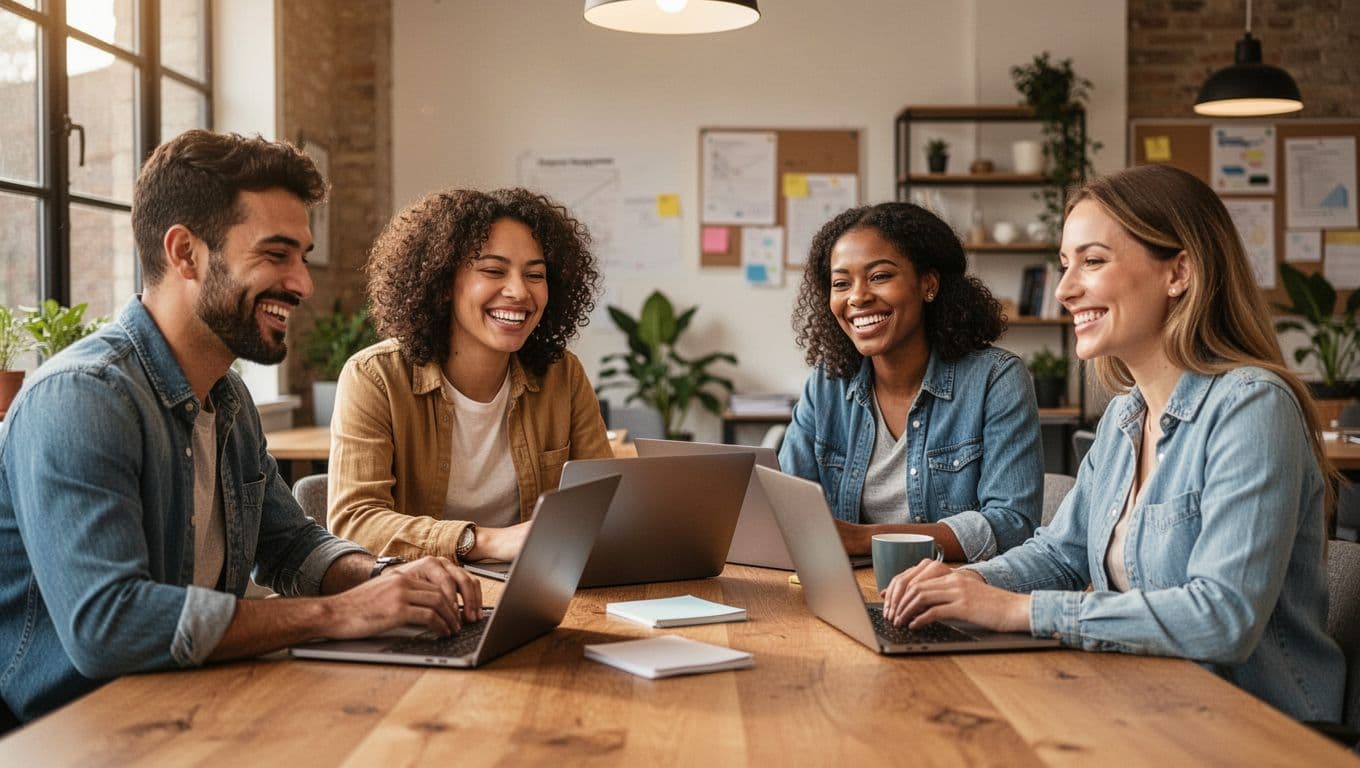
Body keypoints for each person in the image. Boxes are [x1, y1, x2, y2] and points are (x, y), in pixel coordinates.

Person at [0, 130, 482, 724]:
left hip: (196, 705)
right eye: (276, 254)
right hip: (78, 733)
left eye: (302, 257)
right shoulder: (82, 398)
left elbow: (290, 545)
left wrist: (388, 578)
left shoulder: (226, 397)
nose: (303, 283)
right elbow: (110, 626)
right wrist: (345, 613)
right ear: (185, 254)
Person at [882, 164, 1344, 723]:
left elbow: (1223, 618)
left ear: (1180, 272)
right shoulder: (1126, 415)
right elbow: (1062, 552)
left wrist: (1016, 611)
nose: (1065, 289)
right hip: (1145, 704)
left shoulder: (1250, 406)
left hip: (1256, 728)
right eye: (1064, 264)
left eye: (1092, 261)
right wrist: (965, 582)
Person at [327, 188, 611, 564]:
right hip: (423, 597)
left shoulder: (563, 374)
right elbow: (354, 522)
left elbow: (606, 501)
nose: (518, 291)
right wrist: (486, 542)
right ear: (443, 282)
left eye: (535, 274)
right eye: (493, 271)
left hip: (532, 590)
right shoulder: (375, 377)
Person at [779, 202, 1043, 563]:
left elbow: (1012, 525)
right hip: (849, 592)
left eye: (879, 276)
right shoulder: (827, 386)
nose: (857, 297)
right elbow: (783, 510)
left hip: (955, 597)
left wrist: (862, 539)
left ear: (928, 284)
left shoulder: (996, 380)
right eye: (842, 283)